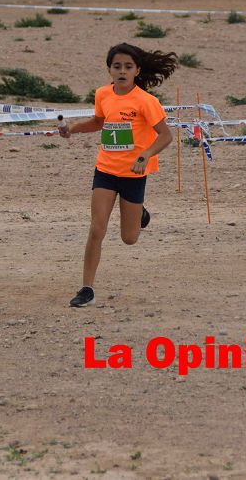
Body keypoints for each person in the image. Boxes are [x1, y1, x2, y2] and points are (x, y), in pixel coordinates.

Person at [58, 43, 177, 307]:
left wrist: (145, 155)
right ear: (109, 69)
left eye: (127, 67)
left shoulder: (146, 101)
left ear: (137, 71)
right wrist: (73, 130)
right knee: (96, 228)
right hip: (106, 170)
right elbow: (99, 122)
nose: (121, 71)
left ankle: (141, 213)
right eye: (116, 66)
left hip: (134, 174)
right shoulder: (103, 94)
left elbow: (166, 135)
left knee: (129, 238)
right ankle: (86, 288)